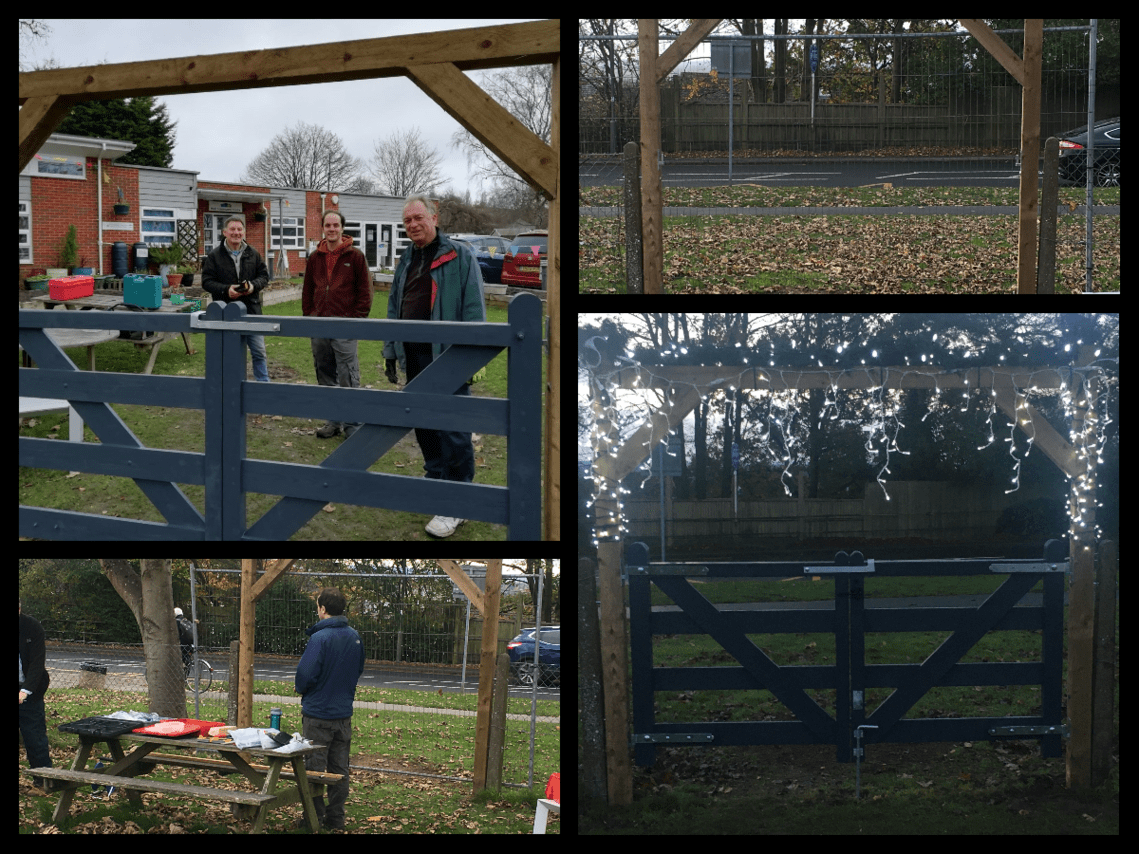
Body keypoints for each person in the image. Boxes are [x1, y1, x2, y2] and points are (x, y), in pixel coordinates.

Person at [383, 194, 487, 538]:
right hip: (412, 354)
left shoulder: (459, 255)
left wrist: (472, 358)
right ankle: (436, 482)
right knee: (423, 423)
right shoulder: (407, 258)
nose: (413, 225)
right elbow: (395, 304)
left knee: (453, 429)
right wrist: (390, 351)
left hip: (446, 357)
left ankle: (458, 501)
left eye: (418, 218)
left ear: (434, 217)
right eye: (407, 221)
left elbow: (473, 309)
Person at [295, 587, 364, 831]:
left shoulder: (319, 638)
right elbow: (357, 669)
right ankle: (336, 819)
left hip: (318, 715)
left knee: (314, 768)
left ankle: (313, 818)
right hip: (343, 714)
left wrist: (304, 690)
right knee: (340, 769)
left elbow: (305, 675)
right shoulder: (354, 637)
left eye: (317, 606)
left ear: (323, 609)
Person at [302, 210, 373, 439]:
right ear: (322, 228)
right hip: (320, 324)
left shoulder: (355, 257)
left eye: (336, 225)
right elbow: (307, 291)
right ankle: (333, 421)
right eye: (327, 225)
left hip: (345, 325)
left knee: (348, 375)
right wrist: (310, 317)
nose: (332, 229)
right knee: (325, 374)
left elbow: (365, 293)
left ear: (342, 228)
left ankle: (352, 423)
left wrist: (356, 320)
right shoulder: (315, 258)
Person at [201, 216, 271, 383]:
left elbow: (264, 276)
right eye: (232, 229)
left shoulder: (252, 253)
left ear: (243, 232)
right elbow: (206, 281)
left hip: (252, 312)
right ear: (225, 232)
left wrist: (252, 286)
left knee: (259, 351)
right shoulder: (214, 256)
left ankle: (263, 387)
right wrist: (226, 290)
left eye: (239, 229)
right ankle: (230, 387)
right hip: (226, 313)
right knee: (230, 353)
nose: (236, 233)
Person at [19, 599, 53, 788]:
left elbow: (37, 663)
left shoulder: (32, 627)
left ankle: (43, 782)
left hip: (31, 690)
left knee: (35, 738)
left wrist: (25, 691)